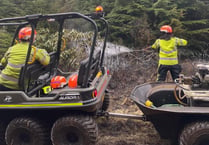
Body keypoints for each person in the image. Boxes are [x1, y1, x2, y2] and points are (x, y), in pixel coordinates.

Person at [0, 26, 50, 91]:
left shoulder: (11, 49)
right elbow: (46, 62)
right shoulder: (35, 51)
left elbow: (3, 62)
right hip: (20, 86)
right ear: (33, 38)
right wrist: (44, 51)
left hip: (2, 83)